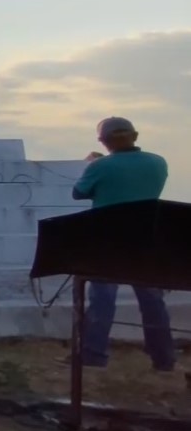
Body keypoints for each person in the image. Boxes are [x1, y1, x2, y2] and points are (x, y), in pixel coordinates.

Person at [71, 116, 173, 371]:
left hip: (107, 243)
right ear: (135, 136)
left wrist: (94, 165)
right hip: (147, 243)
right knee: (152, 302)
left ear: (104, 142)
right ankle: (164, 358)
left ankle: (94, 355)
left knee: (102, 300)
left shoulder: (100, 167)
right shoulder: (158, 162)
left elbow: (78, 193)